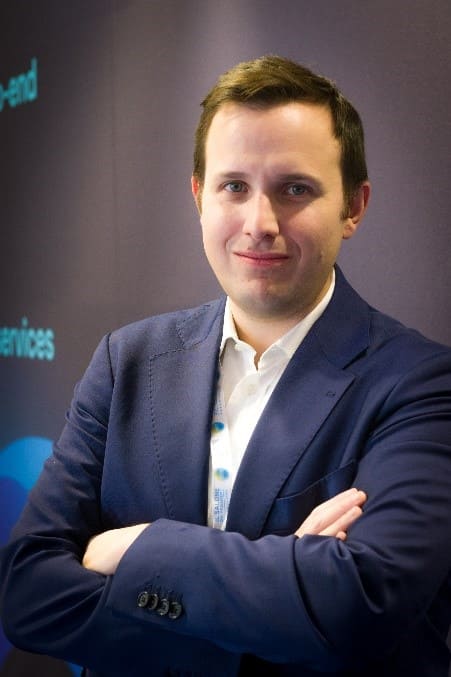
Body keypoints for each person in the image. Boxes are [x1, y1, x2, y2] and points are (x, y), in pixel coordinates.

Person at [0, 55, 450, 677]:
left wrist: (136, 548)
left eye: (295, 189)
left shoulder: (421, 383)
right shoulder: (125, 362)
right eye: (234, 186)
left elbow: (360, 605)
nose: (259, 223)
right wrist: (282, 588)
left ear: (353, 206)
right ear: (199, 197)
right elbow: (27, 592)